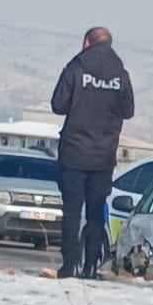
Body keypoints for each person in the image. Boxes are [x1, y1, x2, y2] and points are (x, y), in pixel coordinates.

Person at [49, 25, 135, 278]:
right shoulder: (121, 74)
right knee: (96, 212)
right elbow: (128, 111)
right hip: (104, 154)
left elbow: (58, 104)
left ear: (87, 43)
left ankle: (69, 264)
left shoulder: (75, 68)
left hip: (75, 151)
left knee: (72, 210)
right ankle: (90, 266)